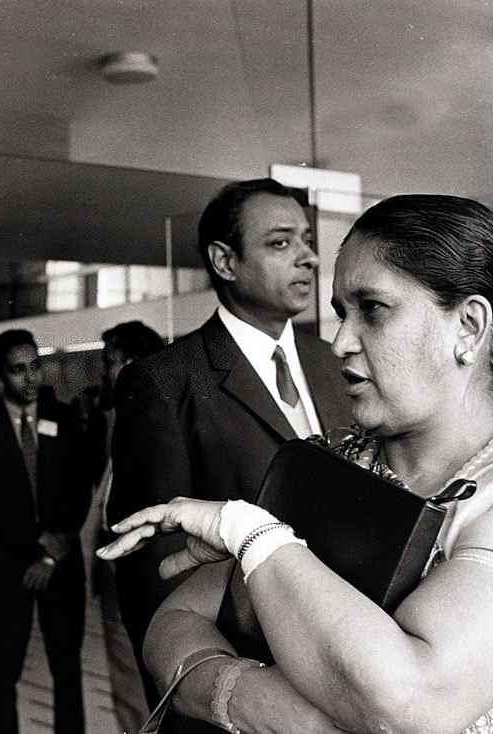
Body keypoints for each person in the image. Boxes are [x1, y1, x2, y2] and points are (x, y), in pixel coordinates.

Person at [99, 194, 493, 734]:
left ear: (469, 327)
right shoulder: (333, 461)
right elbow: (173, 622)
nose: (340, 341)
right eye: (342, 313)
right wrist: (257, 702)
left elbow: (411, 700)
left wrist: (250, 534)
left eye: (373, 309)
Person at [106, 178, 351, 716]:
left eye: (308, 241)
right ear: (224, 259)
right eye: (281, 243)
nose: (308, 258)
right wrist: (194, 693)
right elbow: (156, 563)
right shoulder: (166, 380)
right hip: (243, 678)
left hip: (346, 657)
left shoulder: (333, 364)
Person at [0, 329, 91, 734]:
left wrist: (53, 553)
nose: (31, 378)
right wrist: (39, 544)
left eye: (35, 366)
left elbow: (80, 489)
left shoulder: (65, 419)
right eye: (18, 370)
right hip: (6, 568)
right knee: (3, 677)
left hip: (62, 565)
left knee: (67, 673)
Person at [90, 320, 165, 734]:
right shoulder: (117, 418)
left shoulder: (158, 418)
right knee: (125, 672)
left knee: (143, 674)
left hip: (145, 563)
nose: (105, 372)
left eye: (110, 362)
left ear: (132, 363)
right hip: (116, 559)